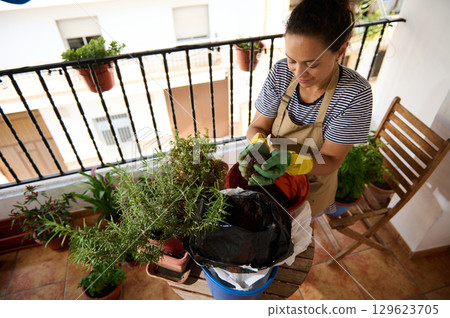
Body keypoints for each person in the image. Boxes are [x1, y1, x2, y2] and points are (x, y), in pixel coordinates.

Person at [238, 0, 372, 219]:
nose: (299, 73)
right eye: (292, 60)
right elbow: (258, 126)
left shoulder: (354, 94)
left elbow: (331, 160)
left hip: (312, 190)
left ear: (340, 50)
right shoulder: (282, 72)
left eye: (312, 64)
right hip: (273, 177)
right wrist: (257, 144)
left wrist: (292, 162)